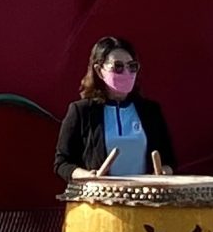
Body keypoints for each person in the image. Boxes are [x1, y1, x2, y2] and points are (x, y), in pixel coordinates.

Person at [54, 36, 176, 180]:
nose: (126, 72)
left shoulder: (150, 111)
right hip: (99, 199)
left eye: (132, 66)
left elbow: (170, 160)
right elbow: (62, 163)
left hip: (145, 199)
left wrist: (164, 172)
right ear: (99, 70)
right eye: (118, 67)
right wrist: (87, 176)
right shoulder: (82, 111)